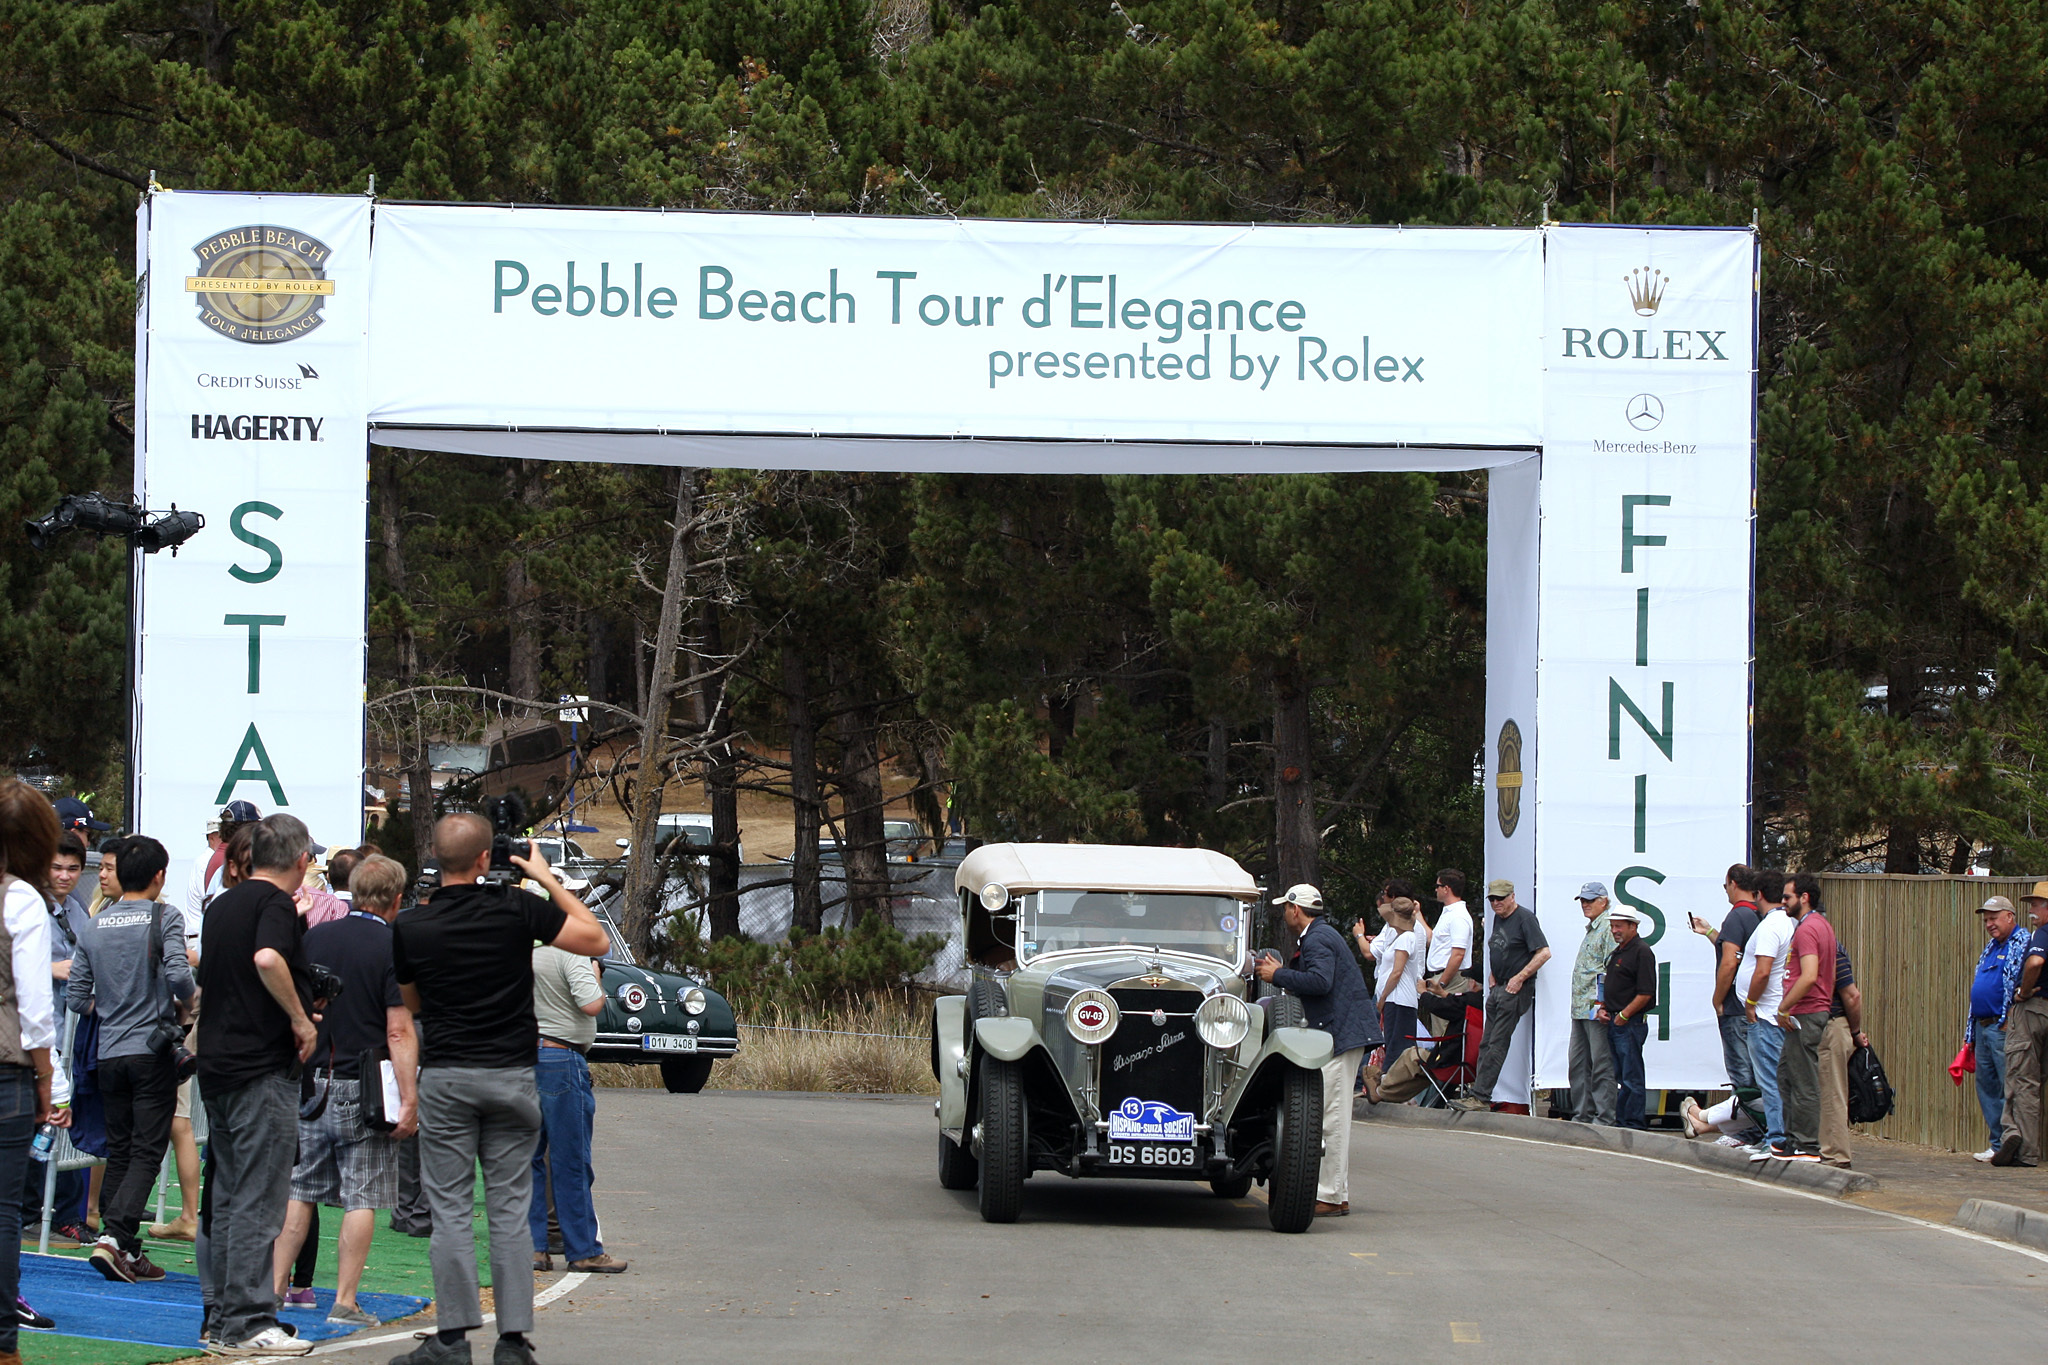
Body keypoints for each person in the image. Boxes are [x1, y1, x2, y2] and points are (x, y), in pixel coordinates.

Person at [391, 813, 609, 1365]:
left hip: (448, 1075)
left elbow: (412, 1005)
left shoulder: (412, 927)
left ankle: (453, 1337)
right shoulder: (518, 909)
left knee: (452, 1209)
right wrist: (545, 877)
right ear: (488, 858)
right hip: (513, 1074)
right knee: (511, 1209)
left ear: (438, 861)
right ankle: (512, 1340)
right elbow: (595, 938)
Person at [270, 855, 420, 1326]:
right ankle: (346, 1300)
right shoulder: (392, 946)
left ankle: (271, 1292)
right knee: (363, 1196)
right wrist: (410, 1097)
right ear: (397, 899)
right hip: (367, 1085)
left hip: (311, 1081)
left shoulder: (314, 936)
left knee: (300, 1192)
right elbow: (398, 1030)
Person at [196, 814, 322, 1357]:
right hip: (260, 1068)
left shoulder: (222, 904)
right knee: (258, 1199)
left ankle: (223, 1320)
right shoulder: (273, 904)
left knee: (227, 1197)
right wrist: (299, 1018)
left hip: (219, 1066)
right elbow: (267, 958)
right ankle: (248, 1322)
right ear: (300, 860)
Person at [67, 834, 194, 1283]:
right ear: (159, 875)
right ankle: (115, 1238)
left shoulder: (94, 924)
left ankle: (125, 1246)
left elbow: (77, 995)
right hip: (152, 1050)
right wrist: (188, 1006)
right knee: (148, 1148)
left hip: (108, 1051)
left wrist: (108, 1010)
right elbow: (179, 974)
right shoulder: (165, 916)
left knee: (121, 1148)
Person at [1253, 884, 1377, 1219]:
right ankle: (1338, 1193)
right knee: (1330, 1115)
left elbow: (1321, 981)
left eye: (1286, 908)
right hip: (1338, 1032)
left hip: (1337, 1034)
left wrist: (1277, 974)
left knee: (1329, 1117)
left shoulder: (1318, 938)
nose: (1284, 913)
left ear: (1296, 909)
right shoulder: (1322, 935)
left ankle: (1330, 1195)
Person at [0, 783, 70, 1362]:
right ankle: (3, 1344)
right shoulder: (20, 898)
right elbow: (34, 1005)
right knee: (3, 1212)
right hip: (6, 1071)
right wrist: (47, 1079)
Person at [529, 939, 626, 1274]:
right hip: (561, 1055)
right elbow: (591, 1004)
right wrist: (595, 974)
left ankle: (535, 1247)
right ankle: (583, 1249)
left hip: (524, 1057)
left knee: (530, 1158)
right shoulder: (569, 953)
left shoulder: (514, 949)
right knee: (570, 1158)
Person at [1458, 879, 1551, 1110]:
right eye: (1492, 899)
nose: (1496, 903)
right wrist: (1491, 975)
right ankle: (1477, 1093)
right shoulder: (1498, 918)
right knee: (1486, 1043)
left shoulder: (1525, 919)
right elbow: (1498, 948)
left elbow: (1544, 952)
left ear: (1512, 897)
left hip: (1514, 990)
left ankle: (1480, 1095)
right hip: (1498, 987)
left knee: (1497, 1043)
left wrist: (1519, 978)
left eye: (1501, 898)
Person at [1801, 875, 1866, 1169]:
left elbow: (1851, 995)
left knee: (1832, 1092)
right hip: (1821, 1024)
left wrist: (1854, 1031)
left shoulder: (1832, 950)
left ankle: (1836, 1154)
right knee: (1822, 1090)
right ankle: (1822, 1149)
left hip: (1833, 1023)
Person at [1774, 873, 1837, 1162]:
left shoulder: (1809, 929)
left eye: (1787, 897)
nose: (1783, 902)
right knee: (1787, 1075)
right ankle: (1791, 1140)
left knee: (1803, 1080)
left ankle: (1807, 1144)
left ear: (1804, 897)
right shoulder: (1819, 926)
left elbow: (1809, 975)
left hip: (1807, 1012)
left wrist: (1784, 1007)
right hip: (1806, 1011)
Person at [1963, 894, 2029, 1164]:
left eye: (1994, 918)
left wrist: (2009, 1016)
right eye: (1987, 919)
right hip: (1982, 1026)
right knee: (1987, 1086)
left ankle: (2014, 1145)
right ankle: (1996, 1143)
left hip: (2003, 1027)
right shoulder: (1991, 946)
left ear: (2010, 917)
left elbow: (2022, 980)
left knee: (2008, 1086)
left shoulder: (2022, 942)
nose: (1989, 923)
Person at [1738, 871, 1795, 1159]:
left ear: (1759, 894)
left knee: (1769, 1080)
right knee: (1777, 1078)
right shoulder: (1787, 923)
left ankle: (1776, 1137)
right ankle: (1780, 1135)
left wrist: (1750, 1002)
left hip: (1765, 1014)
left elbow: (1762, 971)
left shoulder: (1771, 926)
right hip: (1775, 1011)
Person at [1996, 882, 2048, 1168]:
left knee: (2021, 1079)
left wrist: (2025, 991)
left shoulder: (2043, 933)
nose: (2031, 911)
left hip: (2032, 1012)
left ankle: (2022, 1148)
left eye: (2037, 905)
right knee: (2035, 1079)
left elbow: (2035, 962)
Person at [1599, 905, 1657, 1130]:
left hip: (1629, 1023)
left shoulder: (1641, 951)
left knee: (1631, 1077)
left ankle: (1633, 1124)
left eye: (1619, 926)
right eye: (1613, 926)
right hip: (1616, 1021)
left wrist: (1624, 1014)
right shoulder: (1619, 952)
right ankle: (1623, 1122)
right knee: (1622, 1075)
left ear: (1633, 926)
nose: (1615, 930)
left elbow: (1646, 992)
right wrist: (1605, 1007)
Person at [1566, 882, 1618, 1126]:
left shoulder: (1607, 927)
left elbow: (1612, 970)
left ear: (1603, 901)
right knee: (1578, 1063)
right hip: (1580, 1008)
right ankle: (1582, 1114)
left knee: (1600, 1064)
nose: (1585, 904)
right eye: (1582, 900)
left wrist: (1604, 1004)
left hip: (1596, 1009)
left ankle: (1603, 1117)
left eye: (1590, 900)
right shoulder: (1593, 929)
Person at [1355, 894, 1422, 1067]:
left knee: (1397, 1048)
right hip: (1394, 999)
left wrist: (1382, 997)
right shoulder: (1399, 937)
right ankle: (1387, 1086)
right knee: (1391, 1044)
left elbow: (1396, 972)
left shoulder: (1407, 937)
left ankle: (1390, 1087)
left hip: (1399, 999)